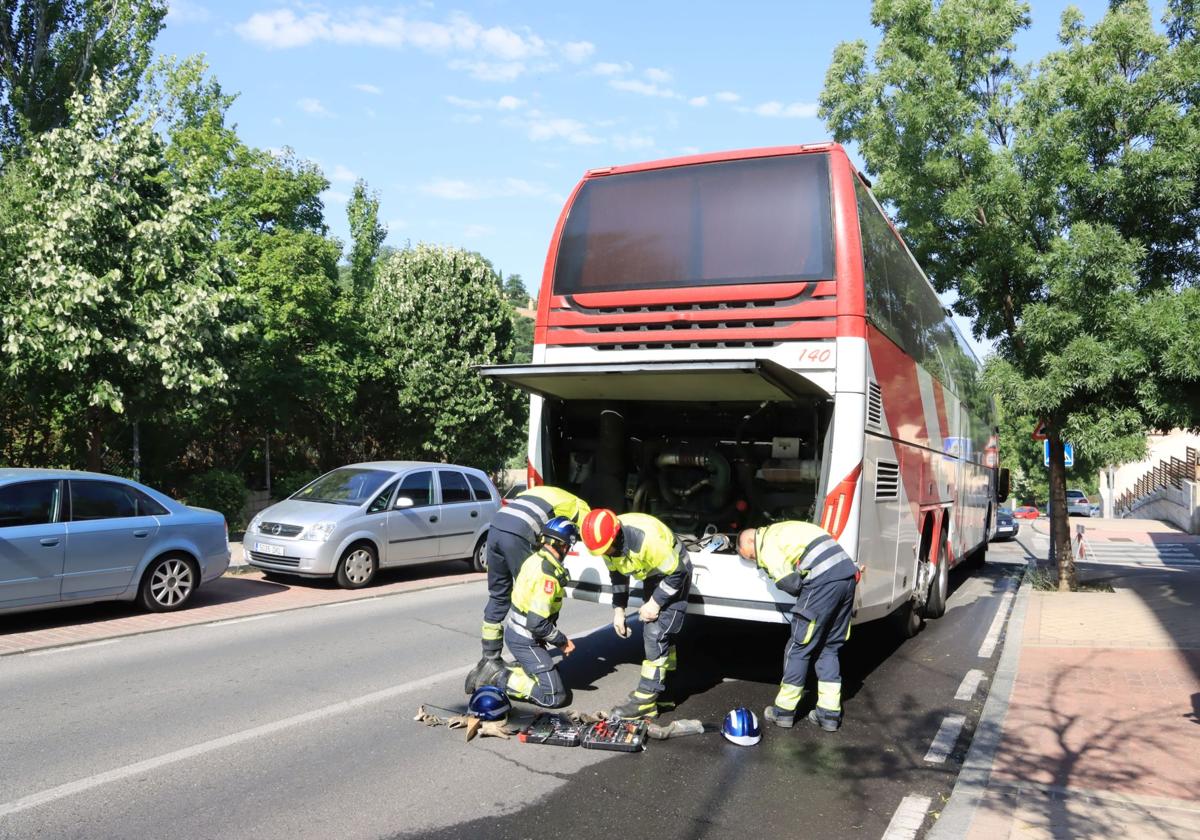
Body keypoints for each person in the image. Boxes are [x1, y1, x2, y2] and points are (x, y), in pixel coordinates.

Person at [466, 485, 590, 693]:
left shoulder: (545, 491)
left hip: (496, 528)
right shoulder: (580, 507)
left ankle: (489, 659)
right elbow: (590, 535)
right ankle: (533, 662)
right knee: (535, 595)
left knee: (498, 595)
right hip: (519, 533)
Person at [737, 521, 858, 732]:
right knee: (829, 648)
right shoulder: (784, 529)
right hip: (847, 577)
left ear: (749, 540)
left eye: (750, 555)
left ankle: (783, 711)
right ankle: (828, 715)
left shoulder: (767, 544)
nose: (754, 559)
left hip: (823, 581)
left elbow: (791, 584)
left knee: (798, 647)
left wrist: (788, 578)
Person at [580, 509, 692, 719]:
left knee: (656, 633)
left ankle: (647, 699)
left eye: (608, 549)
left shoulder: (647, 541)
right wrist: (619, 610)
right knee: (662, 637)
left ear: (617, 535)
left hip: (674, 571)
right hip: (654, 573)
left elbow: (678, 572)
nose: (607, 554)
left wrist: (655, 603)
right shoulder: (607, 546)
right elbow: (618, 577)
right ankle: (665, 692)